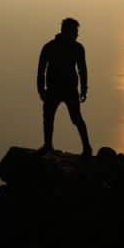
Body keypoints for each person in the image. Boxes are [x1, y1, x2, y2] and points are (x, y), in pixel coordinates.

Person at [37, 17, 93, 156]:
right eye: (75, 31)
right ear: (67, 31)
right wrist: (41, 89)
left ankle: (87, 148)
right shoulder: (49, 47)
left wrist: (84, 88)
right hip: (53, 89)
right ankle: (48, 145)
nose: (77, 34)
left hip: (69, 90)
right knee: (48, 117)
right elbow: (41, 70)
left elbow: (82, 70)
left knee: (76, 118)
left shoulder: (78, 48)